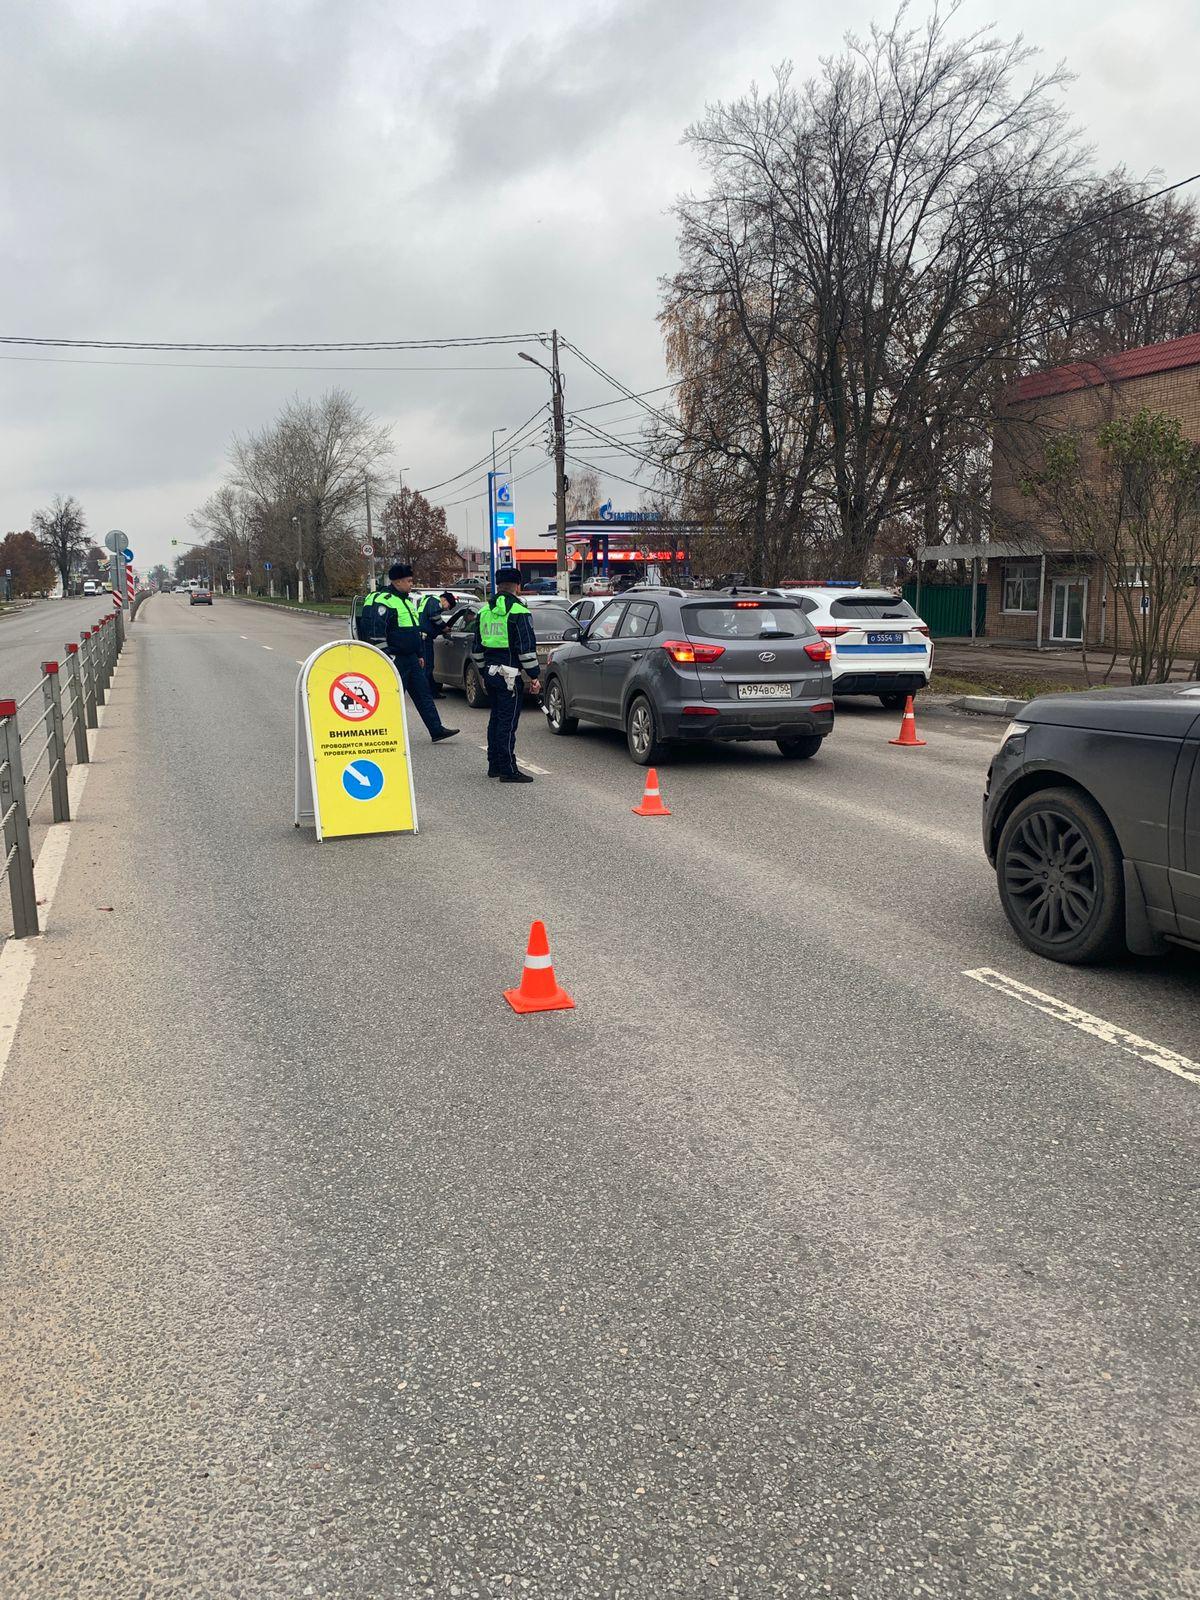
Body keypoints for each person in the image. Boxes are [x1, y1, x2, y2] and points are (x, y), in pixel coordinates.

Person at [471, 568, 541, 782]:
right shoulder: (519, 611)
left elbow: (477, 649)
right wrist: (534, 676)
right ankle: (508, 770)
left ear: (498, 585)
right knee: (507, 723)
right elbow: (526, 648)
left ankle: (494, 765)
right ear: (517, 586)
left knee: (495, 719)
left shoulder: (484, 611)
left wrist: (483, 672)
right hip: (510, 675)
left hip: (490, 672)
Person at [378, 564, 458, 743]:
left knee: (423, 694)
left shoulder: (407, 601)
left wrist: (419, 653)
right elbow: (377, 631)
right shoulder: (385, 600)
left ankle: (436, 730)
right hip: (396, 658)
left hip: (412, 657)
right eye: (409, 581)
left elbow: (415, 630)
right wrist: (386, 656)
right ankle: (384, 733)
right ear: (398, 582)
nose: (411, 584)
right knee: (393, 696)